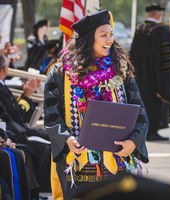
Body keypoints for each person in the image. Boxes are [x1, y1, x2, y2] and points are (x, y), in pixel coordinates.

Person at [44, 10, 149, 199]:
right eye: (103, 35)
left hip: (115, 161)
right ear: (87, 39)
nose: (109, 40)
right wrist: (67, 139)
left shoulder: (120, 71)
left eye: (110, 35)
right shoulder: (61, 73)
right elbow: (52, 115)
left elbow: (139, 113)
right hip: (77, 163)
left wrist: (133, 142)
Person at [0, 54, 51, 194]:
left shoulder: (2, 86)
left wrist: (26, 95)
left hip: (14, 130)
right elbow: (16, 116)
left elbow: (15, 114)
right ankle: (41, 190)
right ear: (5, 69)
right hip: (14, 133)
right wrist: (27, 95)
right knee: (44, 147)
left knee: (50, 135)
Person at [130, 4, 170, 141]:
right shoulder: (161, 30)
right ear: (158, 15)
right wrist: (167, 77)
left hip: (140, 75)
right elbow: (167, 58)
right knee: (154, 102)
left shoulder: (140, 28)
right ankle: (153, 131)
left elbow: (133, 53)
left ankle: (142, 130)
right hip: (157, 77)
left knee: (141, 101)